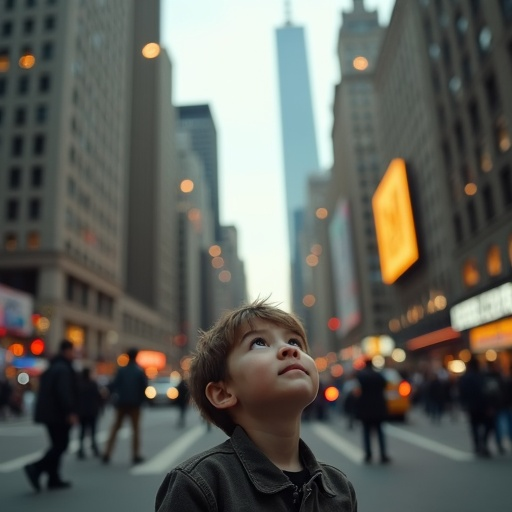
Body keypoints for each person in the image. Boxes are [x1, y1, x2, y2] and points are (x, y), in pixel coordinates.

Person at [155, 299, 358, 512]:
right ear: (223, 393)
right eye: (259, 342)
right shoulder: (199, 484)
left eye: (295, 342)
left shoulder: (339, 488)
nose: (289, 350)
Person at [24, 339, 78, 491]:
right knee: (61, 444)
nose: (74, 355)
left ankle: (53, 478)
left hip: (50, 413)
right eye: (73, 351)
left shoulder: (53, 366)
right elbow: (64, 393)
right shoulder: (63, 368)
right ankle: (36, 467)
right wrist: (70, 411)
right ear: (66, 351)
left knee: (57, 444)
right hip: (58, 414)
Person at [101, 347, 148, 465]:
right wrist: (142, 400)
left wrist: (107, 393)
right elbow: (144, 387)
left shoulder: (121, 370)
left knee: (115, 429)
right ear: (136, 356)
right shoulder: (139, 371)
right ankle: (135, 455)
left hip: (121, 403)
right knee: (135, 430)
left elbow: (114, 385)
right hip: (135, 404)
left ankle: (107, 453)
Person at [355, 358, 390, 464]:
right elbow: (385, 385)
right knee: (380, 431)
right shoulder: (379, 375)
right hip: (378, 407)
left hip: (366, 408)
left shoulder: (362, 376)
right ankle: (383, 455)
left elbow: (358, 388)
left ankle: (368, 455)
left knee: (366, 432)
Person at [458, 357, 494, 457]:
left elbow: (461, 392)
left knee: (474, 426)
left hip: (471, 406)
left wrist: (464, 404)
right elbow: (485, 392)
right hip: (481, 405)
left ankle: (477, 445)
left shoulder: (465, 378)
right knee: (488, 425)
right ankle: (483, 444)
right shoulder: (480, 377)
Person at [77, 367, 103, 459]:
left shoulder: (79, 385)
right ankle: (94, 448)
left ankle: (80, 450)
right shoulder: (93, 384)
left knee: (82, 431)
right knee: (93, 431)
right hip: (92, 411)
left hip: (82, 411)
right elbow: (99, 397)